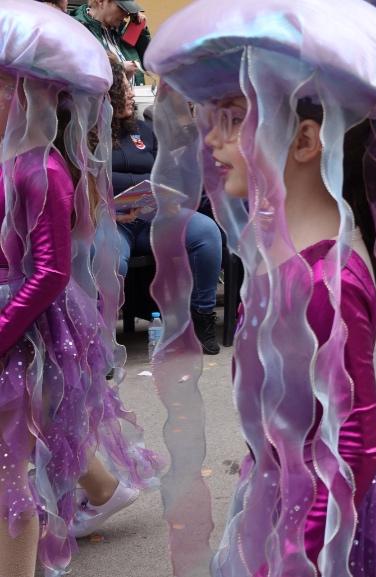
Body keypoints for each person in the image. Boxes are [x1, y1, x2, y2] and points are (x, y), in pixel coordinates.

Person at [147, 1, 376, 575]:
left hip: (329, 511)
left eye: (234, 118)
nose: (211, 141)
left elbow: (357, 443)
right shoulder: (278, 248)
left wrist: (302, 553)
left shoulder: (328, 280)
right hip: (286, 480)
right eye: (211, 117)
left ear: (306, 140)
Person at [2, 3, 162, 575]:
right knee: (35, 436)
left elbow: (46, 271)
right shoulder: (9, 162)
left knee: (13, 461)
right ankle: (102, 491)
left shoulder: (39, 171)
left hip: (26, 328)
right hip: (18, 321)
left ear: (29, 97)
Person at [106, 54, 223, 354]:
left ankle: (203, 316)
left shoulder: (143, 130)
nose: (131, 93)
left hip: (153, 217)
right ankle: (103, 338)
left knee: (206, 231)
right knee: (112, 258)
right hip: (113, 222)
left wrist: (171, 195)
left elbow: (165, 172)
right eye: (124, 87)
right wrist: (109, 211)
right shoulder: (92, 134)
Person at [74, 0, 150, 86]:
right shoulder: (78, 30)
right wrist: (119, 68)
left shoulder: (119, 31)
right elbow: (83, 73)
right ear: (100, 1)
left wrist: (140, 31)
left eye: (129, 9)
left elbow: (149, 63)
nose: (126, 14)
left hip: (134, 97)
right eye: (122, 8)